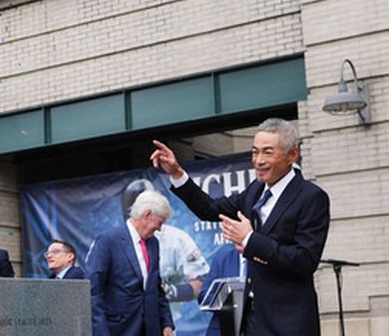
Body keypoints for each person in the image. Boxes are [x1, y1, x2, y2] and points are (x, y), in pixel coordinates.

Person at [151, 118, 330, 336]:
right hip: (251, 322)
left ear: (292, 155)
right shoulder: (256, 190)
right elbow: (210, 209)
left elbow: (304, 261)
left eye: (268, 152)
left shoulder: (311, 197)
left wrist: (250, 240)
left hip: (288, 322)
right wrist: (177, 172)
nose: (258, 161)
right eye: (255, 152)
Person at [85, 190, 175, 336]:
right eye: (159, 222)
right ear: (147, 214)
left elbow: (155, 287)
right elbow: (93, 291)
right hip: (119, 329)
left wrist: (167, 323)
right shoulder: (108, 240)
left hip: (150, 329)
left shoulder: (154, 244)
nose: (160, 228)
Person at [122, 180, 209, 301]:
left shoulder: (177, 239)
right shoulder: (112, 242)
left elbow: (202, 283)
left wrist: (170, 292)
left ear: (147, 213)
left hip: (171, 316)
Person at [199, 245, 244, 336]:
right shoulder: (222, 259)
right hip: (224, 328)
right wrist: (228, 300)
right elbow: (204, 296)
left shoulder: (265, 261)